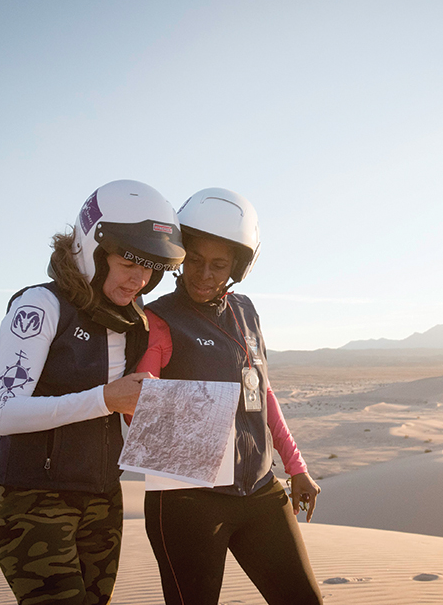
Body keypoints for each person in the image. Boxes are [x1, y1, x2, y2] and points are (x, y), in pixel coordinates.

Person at [0, 179, 185, 605]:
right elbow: (4, 413)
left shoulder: (135, 324)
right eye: (129, 260)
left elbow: (125, 410)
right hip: (34, 500)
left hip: (103, 497)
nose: (139, 278)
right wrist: (105, 399)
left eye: (150, 267)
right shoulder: (41, 306)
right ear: (93, 246)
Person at [136, 188, 323, 605]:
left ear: (237, 267)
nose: (204, 274)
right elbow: (137, 406)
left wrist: (297, 467)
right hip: (188, 501)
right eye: (195, 261)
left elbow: (262, 392)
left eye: (218, 265)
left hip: (259, 488)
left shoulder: (247, 311)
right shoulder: (159, 319)